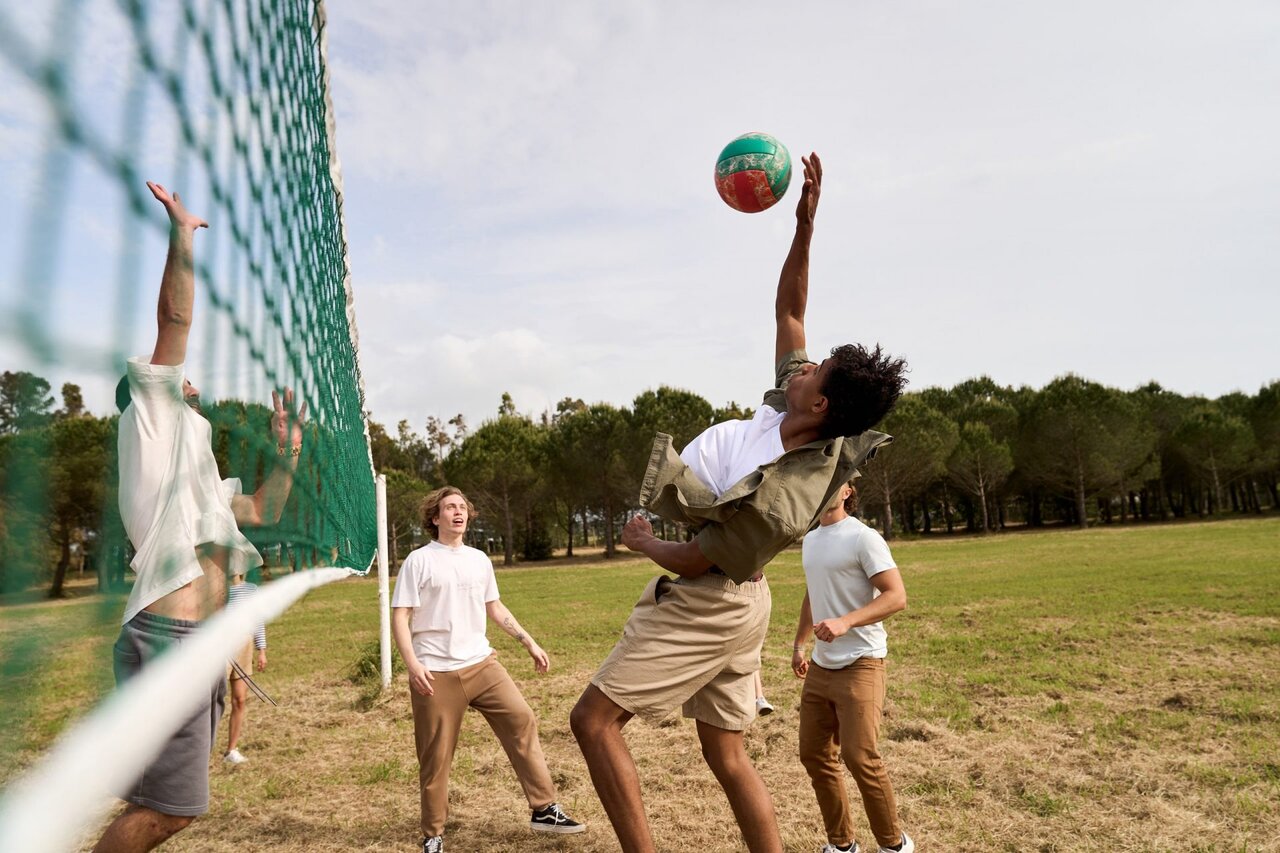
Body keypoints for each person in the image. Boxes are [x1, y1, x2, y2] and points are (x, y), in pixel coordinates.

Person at [570, 153, 908, 853]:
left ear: (822, 401)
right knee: (726, 755)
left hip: (712, 599)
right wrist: (805, 226)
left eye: (815, 368)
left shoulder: (785, 496)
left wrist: (644, 545)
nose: (803, 362)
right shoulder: (798, 404)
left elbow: (699, 559)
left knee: (593, 722)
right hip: (742, 603)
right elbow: (790, 308)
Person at [93, 182, 305, 853]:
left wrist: (289, 451)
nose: (187, 379)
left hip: (195, 644)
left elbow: (264, 509)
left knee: (156, 801)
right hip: (169, 640)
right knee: (172, 809)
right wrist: (182, 234)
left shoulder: (195, 466)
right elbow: (174, 323)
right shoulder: (151, 418)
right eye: (172, 377)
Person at [391, 487, 585, 853]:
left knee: (522, 718)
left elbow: (494, 607)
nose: (458, 512)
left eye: (462, 507)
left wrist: (528, 641)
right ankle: (433, 835)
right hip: (435, 673)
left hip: (482, 664)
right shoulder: (419, 561)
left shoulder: (479, 559)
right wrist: (412, 664)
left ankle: (544, 809)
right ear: (435, 518)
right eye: (450, 507)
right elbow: (400, 616)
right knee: (435, 758)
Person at [792, 483, 914, 853]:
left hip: (862, 663)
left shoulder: (864, 538)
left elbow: (896, 596)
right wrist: (799, 645)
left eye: (836, 480)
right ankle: (842, 844)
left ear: (848, 491)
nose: (825, 486)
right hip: (820, 666)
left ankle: (894, 845)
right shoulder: (811, 540)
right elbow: (814, 592)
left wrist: (846, 622)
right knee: (814, 755)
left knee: (860, 756)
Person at [223, 572, 268, 765]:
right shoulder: (217, 589)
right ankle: (199, 750)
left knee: (240, 699)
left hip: (244, 646)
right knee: (213, 700)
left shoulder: (251, 590)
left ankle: (231, 750)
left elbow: (257, 621)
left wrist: (262, 650)